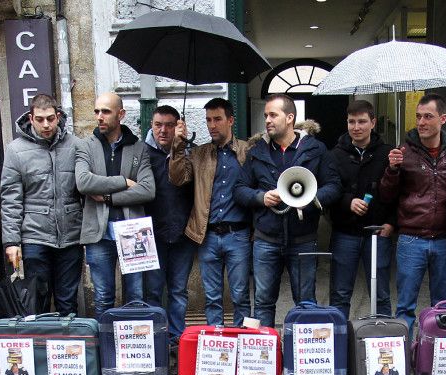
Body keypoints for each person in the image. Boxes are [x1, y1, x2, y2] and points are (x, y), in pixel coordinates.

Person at [234, 93, 340, 326]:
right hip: (266, 239)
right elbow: (240, 189)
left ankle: (300, 358)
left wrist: (311, 199)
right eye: (266, 116)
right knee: (262, 301)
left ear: (290, 117)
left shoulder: (315, 149)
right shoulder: (256, 152)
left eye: (273, 115)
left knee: (305, 303)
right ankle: (267, 358)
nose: (268, 120)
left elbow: (333, 186)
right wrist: (261, 197)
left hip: (303, 238)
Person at [379, 93, 446, 331]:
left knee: (442, 304)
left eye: (428, 116)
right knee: (405, 306)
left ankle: (437, 355)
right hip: (411, 238)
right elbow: (386, 196)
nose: (421, 122)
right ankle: (404, 357)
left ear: (443, 119)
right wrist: (393, 170)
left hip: (445, 238)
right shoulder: (403, 153)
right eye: (418, 117)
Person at [168, 97, 254, 327]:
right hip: (208, 235)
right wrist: (177, 146)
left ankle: (242, 345)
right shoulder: (199, 154)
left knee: (240, 297)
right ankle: (216, 349)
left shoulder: (247, 151)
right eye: (208, 120)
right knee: (213, 298)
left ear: (230, 120)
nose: (212, 125)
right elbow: (177, 178)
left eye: (217, 119)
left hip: (239, 234)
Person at [0, 93, 84, 316]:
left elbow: (86, 189)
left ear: (58, 116)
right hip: (34, 236)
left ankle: (67, 349)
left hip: (70, 235)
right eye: (40, 119)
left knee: (68, 301)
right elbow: (11, 199)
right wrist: (11, 241)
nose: (46, 125)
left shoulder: (75, 145)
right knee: (36, 300)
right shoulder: (16, 150)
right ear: (31, 117)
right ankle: (40, 347)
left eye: (50, 118)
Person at [74, 92, 155, 315]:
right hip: (98, 234)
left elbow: (147, 189)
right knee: (102, 297)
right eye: (96, 111)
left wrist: (109, 197)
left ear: (121, 114)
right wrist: (123, 182)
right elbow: (83, 182)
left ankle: (135, 347)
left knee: (136, 296)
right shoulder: (86, 146)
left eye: (106, 111)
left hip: (134, 232)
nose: (99, 116)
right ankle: (106, 348)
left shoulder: (139, 148)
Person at [329, 99, 394, 318]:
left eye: (362, 122)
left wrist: (392, 223)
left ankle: (384, 343)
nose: (356, 127)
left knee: (381, 293)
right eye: (351, 122)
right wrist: (348, 202)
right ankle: (339, 342)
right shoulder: (335, 155)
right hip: (345, 232)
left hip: (377, 231)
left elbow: (396, 193)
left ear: (373, 122)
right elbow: (329, 190)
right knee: (340, 293)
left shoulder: (387, 153)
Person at [143, 105, 195, 343]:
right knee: (153, 291)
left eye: (169, 125)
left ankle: (176, 340)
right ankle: (156, 340)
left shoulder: (190, 153)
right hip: (151, 235)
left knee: (178, 292)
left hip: (183, 233)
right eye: (158, 125)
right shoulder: (141, 154)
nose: (163, 130)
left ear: (178, 126)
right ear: (151, 126)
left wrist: (181, 147)